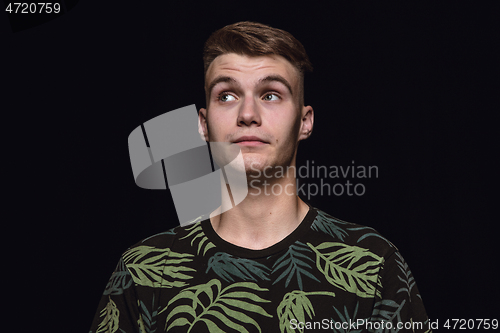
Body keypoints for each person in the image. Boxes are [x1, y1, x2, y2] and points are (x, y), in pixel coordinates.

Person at [90, 21, 431, 333]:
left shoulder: (373, 263)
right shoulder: (144, 269)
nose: (248, 114)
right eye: (227, 95)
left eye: (270, 95)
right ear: (204, 125)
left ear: (305, 121)